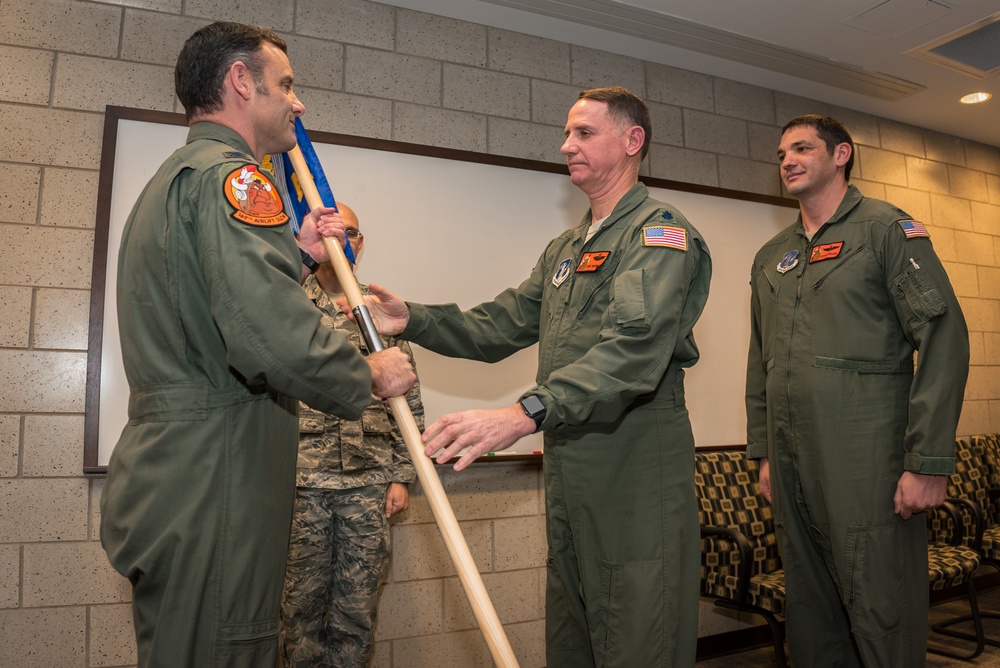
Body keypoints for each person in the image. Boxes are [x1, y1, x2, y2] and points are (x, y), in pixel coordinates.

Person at [347, 86, 712, 667]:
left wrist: (524, 413)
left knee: (640, 631)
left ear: (632, 141)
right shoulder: (567, 248)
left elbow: (634, 350)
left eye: (584, 133)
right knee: (575, 633)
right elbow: (501, 324)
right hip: (573, 465)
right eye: (567, 133)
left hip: (634, 466)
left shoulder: (658, 234)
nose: (566, 145)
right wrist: (413, 318)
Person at [99, 22, 416, 668]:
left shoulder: (182, 179)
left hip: (190, 475)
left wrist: (295, 260)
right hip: (216, 478)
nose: (297, 104)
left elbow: (217, 308)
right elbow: (267, 337)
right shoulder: (235, 182)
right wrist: (369, 375)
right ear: (242, 82)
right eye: (287, 85)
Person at [745, 114, 969, 667]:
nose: (787, 161)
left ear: (841, 154)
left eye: (801, 148)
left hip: (866, 459)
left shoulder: (885, 231)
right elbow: (761, 359)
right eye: (781, 154)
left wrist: (929, 461)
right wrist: (765, 451)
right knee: (812, 613)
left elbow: (944, 337)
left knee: (880, 608)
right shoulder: (772, 255)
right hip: (794, 461)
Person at [279, 203, 424, 667]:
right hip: (301, 482)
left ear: (359, 243)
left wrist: (402, 475)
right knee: (298, 611)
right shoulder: (286, 305)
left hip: (369, 484)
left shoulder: (379, 310)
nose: (340, 239)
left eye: (350, 232)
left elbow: (409, 399)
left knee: (356, 612)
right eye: (328, 230)